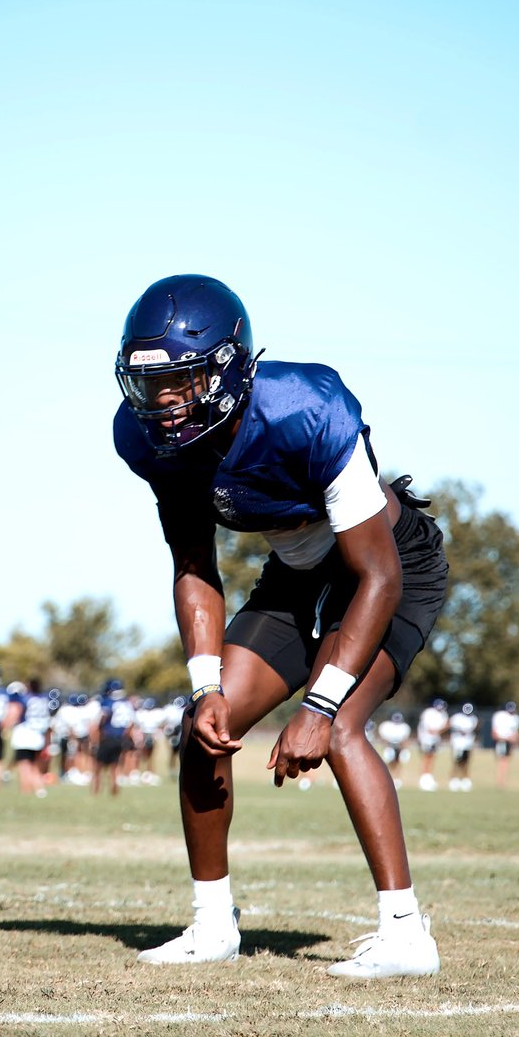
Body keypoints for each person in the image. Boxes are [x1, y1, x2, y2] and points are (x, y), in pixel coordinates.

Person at [113, 273, 449, 978]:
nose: (164, 406)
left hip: (386, 568)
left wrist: (318, 707)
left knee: (342, 727)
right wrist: (205, 683)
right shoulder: (150, 442)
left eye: (181, 384)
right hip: (294, 577)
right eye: (151, 387)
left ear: (229, 370)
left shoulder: (306, 407)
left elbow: (378, 576)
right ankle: (213, 925)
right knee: (205, 723)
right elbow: (195, 562)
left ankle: (405, 933)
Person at [416, 698, 449, 791]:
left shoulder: (443, 714)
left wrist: (442, 728)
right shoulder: (428, 712)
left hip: (435, 740)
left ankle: (428, 777)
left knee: (432, 758)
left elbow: (441, 728)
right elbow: (429, 728)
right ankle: (423, 778)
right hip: (426, 739)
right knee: (426, 758)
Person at [377, 711, 412, 789]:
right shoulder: (386, 726)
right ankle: (390, 778)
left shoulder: (404, 727)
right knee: (389, 762)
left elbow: (405, 740)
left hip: (399, 747)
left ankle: (396, 779)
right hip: (389, 746)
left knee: (399, 762)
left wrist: (405, 748)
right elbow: (383, 739)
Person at [448, 702, 478, 791]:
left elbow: (474, 729)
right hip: (457, 744)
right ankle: (454, 779)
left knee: (466, 762)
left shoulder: (473, 719)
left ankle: (465, 780)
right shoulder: (456, 717)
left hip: (468, 744)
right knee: (456, 762)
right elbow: (450, 726)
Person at [491, 700, 519, 789]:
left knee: (506, 761)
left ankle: (503, 782)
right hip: (501, 742)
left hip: (509, 743)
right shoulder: (499, 716)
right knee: (502, 761)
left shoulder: (516, 718)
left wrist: (515, 739)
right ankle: (500, 782)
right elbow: (494, 733)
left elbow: (515, 733)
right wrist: (506, 738)